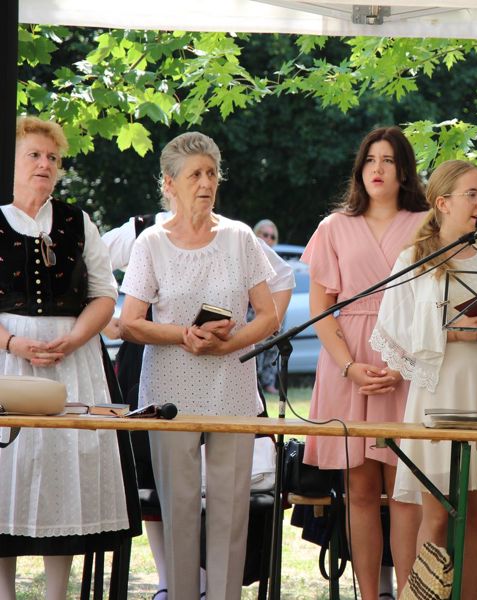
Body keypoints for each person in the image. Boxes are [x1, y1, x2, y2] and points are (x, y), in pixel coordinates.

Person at [118, 131, 278, 600]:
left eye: (212, 173)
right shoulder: (151, 242)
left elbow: (267, 315)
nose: (206, 183)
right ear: (169, 184)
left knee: (231, 512)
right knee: (179, 511)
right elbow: (131, 323)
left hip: (231, 387)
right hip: (169, 393)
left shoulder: (240, 237)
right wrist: (182, 335)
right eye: (195, 175)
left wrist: (229, 346)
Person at [372, 159, 477, 599]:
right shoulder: (414, 259)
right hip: (439, 392)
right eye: (472, 194)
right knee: (436, 515)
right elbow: (393, 328)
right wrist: (452, 331)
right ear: (443, 203)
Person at [0, 116, 132, 600]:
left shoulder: (79, 221)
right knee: (5, 471)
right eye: (34, 155)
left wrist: (75, 338)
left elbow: (104, 294)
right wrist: (11, 343)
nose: (45, 164)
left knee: (65, 469)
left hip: (72, 361)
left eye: (52, 157)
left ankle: (57, 593)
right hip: (5, 360)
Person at [300, 126, 428, 599]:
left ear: (404, 171)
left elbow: (437, 302)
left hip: (405, 363)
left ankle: (410, 593)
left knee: (404, 490)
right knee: (358, 490)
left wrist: (404, 363)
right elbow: (321, 308)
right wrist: (350, 367)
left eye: (388, 160)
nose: (378, 168)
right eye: (370, 160)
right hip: (349, 363)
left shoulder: (427, 224)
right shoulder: (333, 227)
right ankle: (369, 594)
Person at [252, 219, 282, 393]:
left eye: (272, 236)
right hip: (253, 310)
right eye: (265, 235)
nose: (269, 239)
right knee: (255, 346)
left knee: (273, 346)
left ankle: (269, 383)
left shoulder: (277, 260)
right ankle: (254, 381)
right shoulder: (249, 256)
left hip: (276, 306)